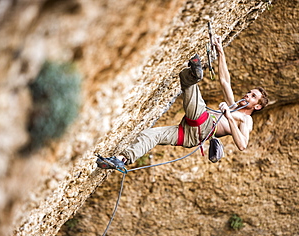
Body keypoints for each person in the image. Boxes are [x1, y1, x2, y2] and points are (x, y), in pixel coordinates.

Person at [96, 36, 269, 170]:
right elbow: (225, 82)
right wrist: (220, 51)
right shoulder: (234, 105)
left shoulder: (246, 120)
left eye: (253, 96)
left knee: (192, 89)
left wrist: (229, 118)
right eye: (249, 92)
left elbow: (242, 145)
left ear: (258, 106)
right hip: (187, 132)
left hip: (202, 123)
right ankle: (120, 160)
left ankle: (193, 76)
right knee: (151, 135)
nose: (248, 95)